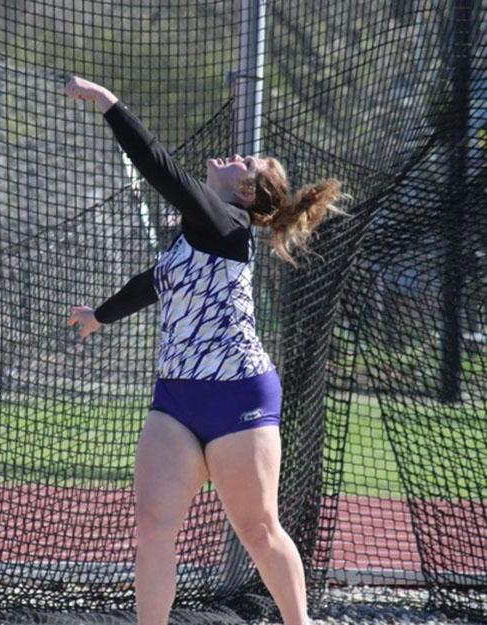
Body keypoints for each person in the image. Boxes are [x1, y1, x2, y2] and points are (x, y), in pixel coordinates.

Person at [64, 76, 342, 625]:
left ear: (245, 193)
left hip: (238, 393)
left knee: (259, 529)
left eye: (248, 163)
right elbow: (157, 280)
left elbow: (158, 167)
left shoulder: (228, 222)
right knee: (152, 527)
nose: (237, 156)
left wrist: (108, 102)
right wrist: (100, 315)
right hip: (176, 399)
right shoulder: (198, 232)